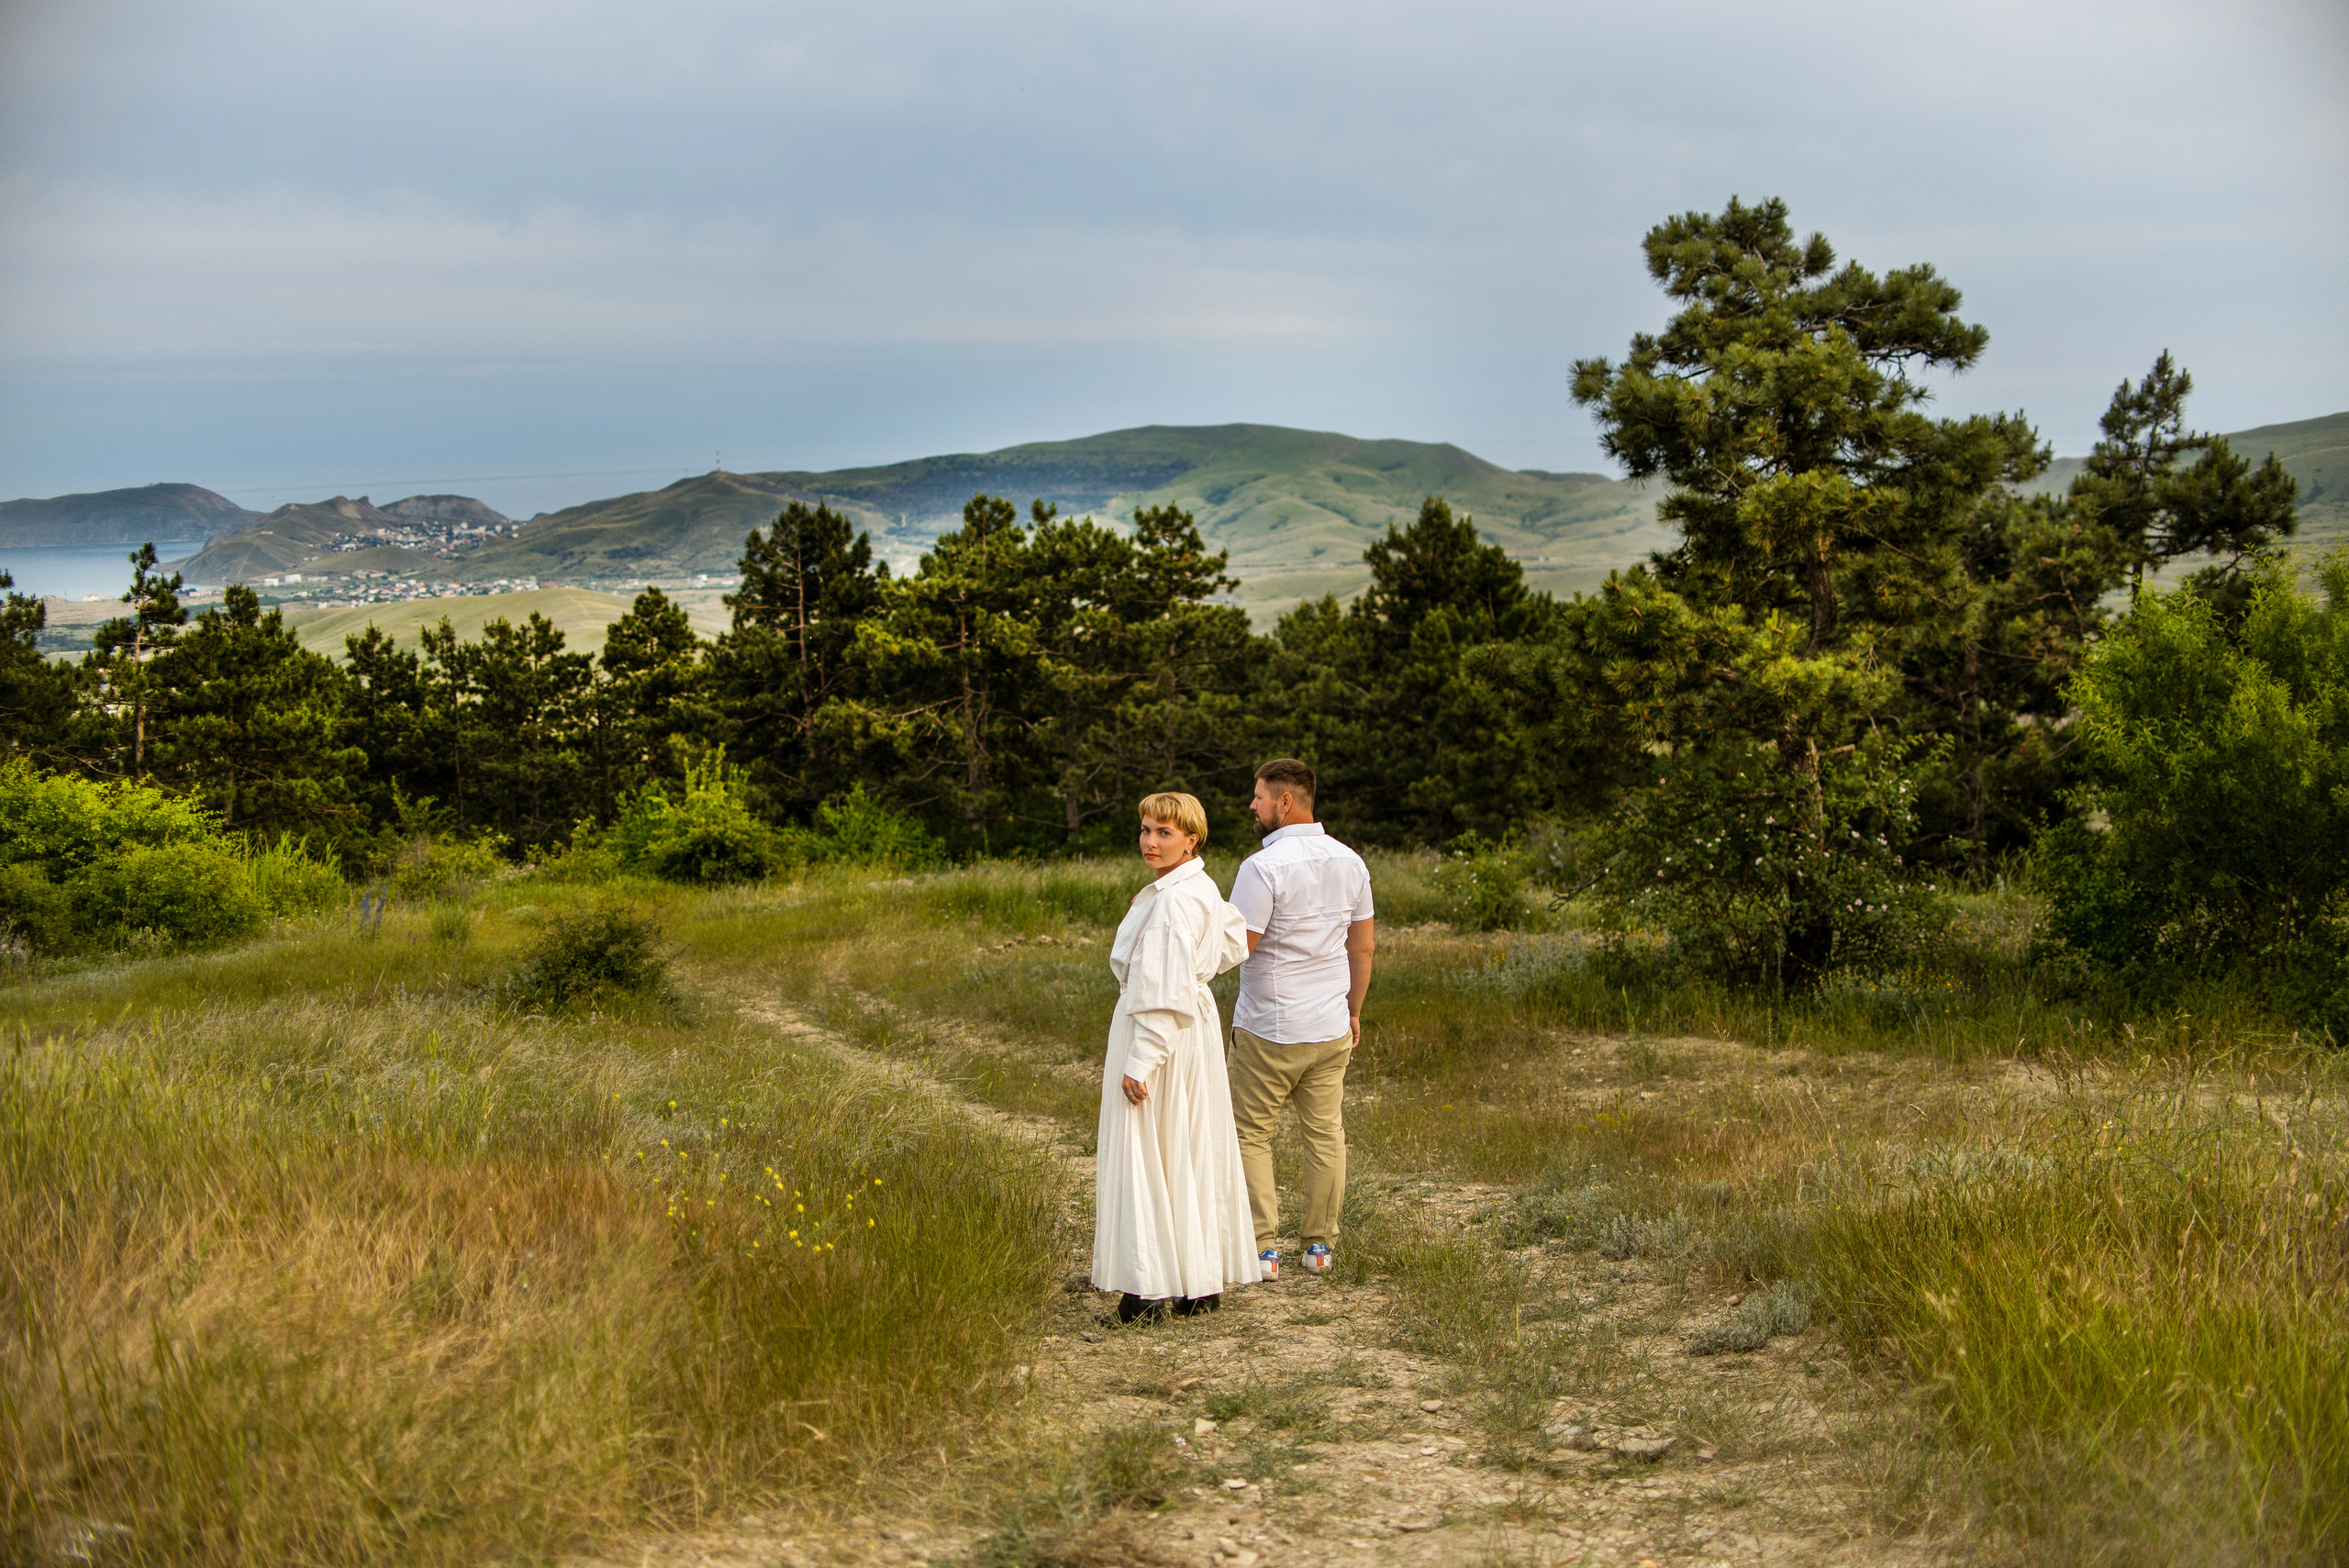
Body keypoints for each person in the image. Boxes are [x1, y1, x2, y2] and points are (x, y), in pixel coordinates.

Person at [1091, 791, 1258, 1322]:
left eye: (1164, 833)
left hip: (1163, 1033)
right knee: (1186, 1146)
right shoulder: (1200, 886)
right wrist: (1198, 979)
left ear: (1191, 839)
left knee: (1151, 1151)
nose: (1150, 841)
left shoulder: (1173, 902)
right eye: (1145, 830)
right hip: (1193, 1028)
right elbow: (1234, 942)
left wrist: (1141, 1060)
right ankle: (1198, 1284)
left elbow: (1161, 991)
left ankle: (1146, 1291)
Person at [1227, 757, 1375, 1280]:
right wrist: (1354, 1009)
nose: (1253, 804)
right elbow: (1363, 948)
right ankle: (1318, 1247)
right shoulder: (1351, 861)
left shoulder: (1260, 867)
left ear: (1285, 801)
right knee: (1325, 1134)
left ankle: (1262, 1248)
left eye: (1259, 795)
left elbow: (1238, 947)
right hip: (1331, 1024)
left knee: (1250, 1134)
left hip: (1270, 1025)